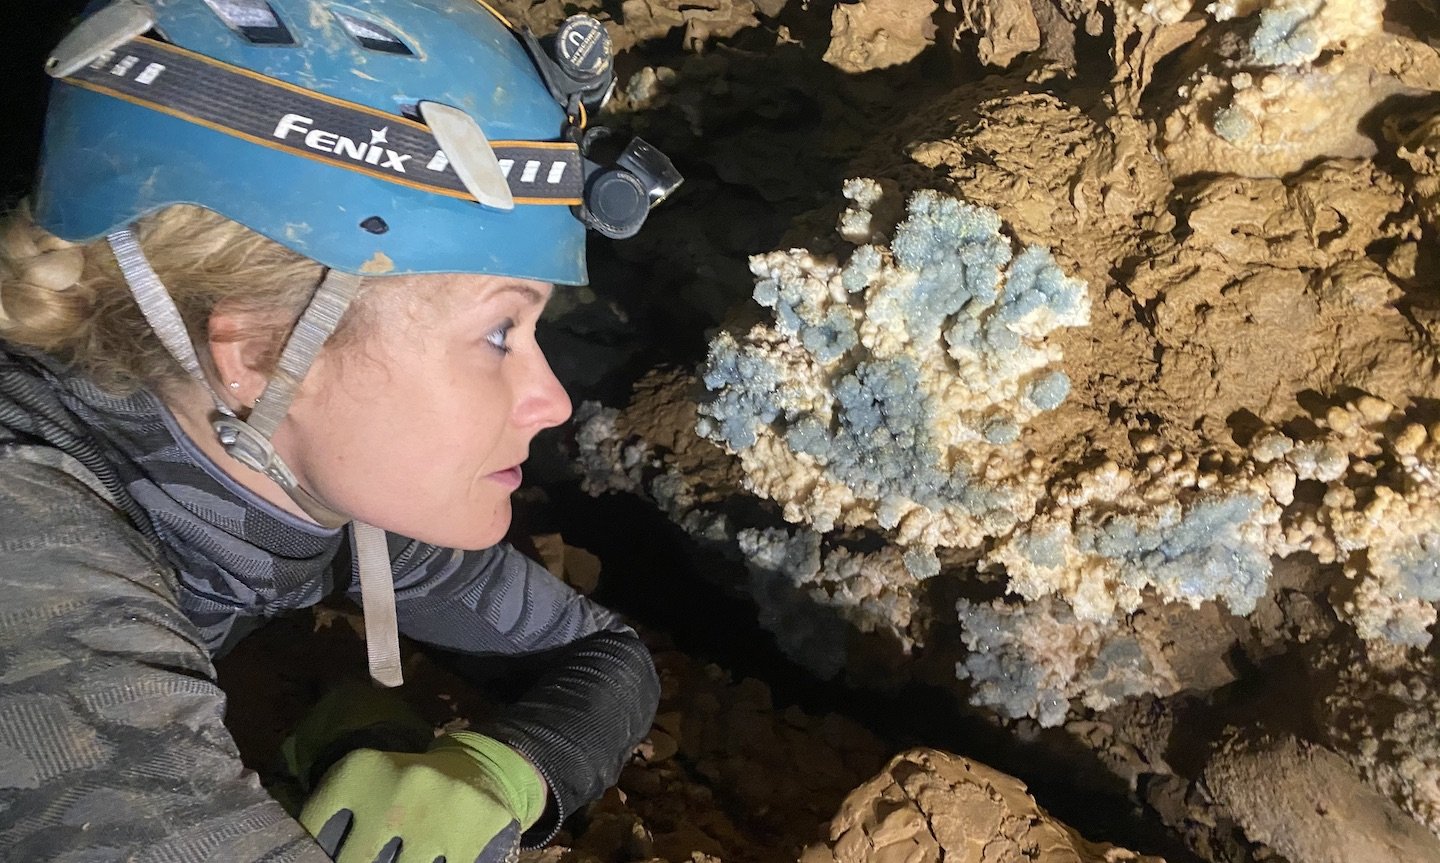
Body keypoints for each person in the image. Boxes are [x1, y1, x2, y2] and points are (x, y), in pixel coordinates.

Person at [0, 0, 680, 860]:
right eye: (499, 333)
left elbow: (604, 653)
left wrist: (504, 770)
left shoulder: (300, 485)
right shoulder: (27, 553)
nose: (552, 399)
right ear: (263, 348)